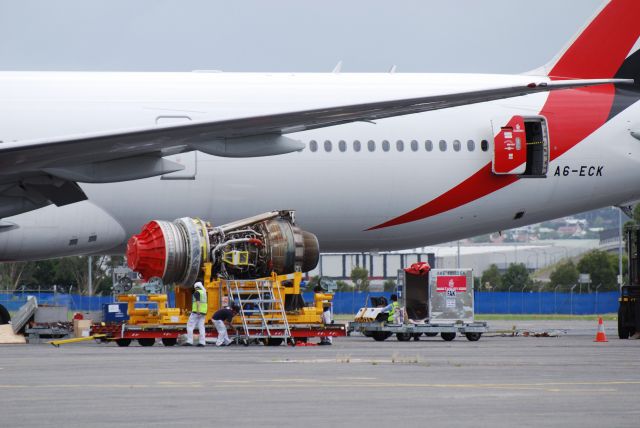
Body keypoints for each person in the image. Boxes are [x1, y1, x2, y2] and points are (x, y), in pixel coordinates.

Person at [185, 281, 208, 347]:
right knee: (201, 327)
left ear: (195, 287)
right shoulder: (204, 293)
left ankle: (189, 341)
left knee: (190, 326)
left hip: (196, 312)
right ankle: (202, 342)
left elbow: (198, 302)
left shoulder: (197, 292)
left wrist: (198, 310)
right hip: (203, 312)